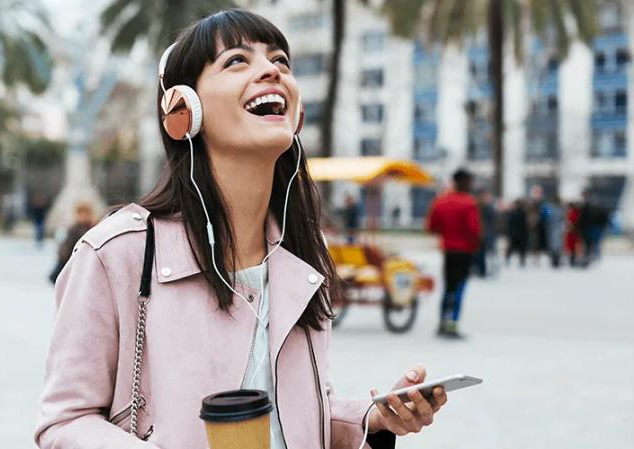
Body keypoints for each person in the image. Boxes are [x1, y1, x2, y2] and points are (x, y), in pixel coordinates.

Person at [34, 10, 448, 449]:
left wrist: (374, 420)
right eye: (237, 61)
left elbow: (300, 414)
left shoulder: (302, 261)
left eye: (281, 61)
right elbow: (65, 422)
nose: (272, 70)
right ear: (183, 110)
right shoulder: (118, 253)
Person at [426, 169, 481, 339]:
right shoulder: (469, 203)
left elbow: (431, 226)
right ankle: (453, 324)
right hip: (464, 251)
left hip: (448, 250)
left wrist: (446, 234)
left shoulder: (441, 201)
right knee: (459, 287)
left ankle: (442, 321)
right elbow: (474, 230)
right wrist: (476, 245)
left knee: (448, 286)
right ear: (464, 182)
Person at [49, 203, 96, 284]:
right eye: (80, 214)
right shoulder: (74, 228)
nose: (82, 217)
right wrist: (62, 254)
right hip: (71, 260)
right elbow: (67, 244)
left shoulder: (92, 228)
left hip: (84, 262)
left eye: (85, 214)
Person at [474, 190, 498, 277]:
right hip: (478, 234)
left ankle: (483, 270)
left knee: (485, 253)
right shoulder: (476, 207)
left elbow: (494, 221)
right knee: (478, 253)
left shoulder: (490, 208)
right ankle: (479, 269)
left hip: (487, 234)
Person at [505, 199, 529, 267]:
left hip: (518, 233)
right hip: (517, 233)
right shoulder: (515, 213)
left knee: (519, 248)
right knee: (514, 248)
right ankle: (510, 259)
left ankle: (520, 260)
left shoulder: (519, 212)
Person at [544, 195, 566, 268]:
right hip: (552, 228)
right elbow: (546, 217)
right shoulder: (549, 207)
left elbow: (564, 217)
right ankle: (554, 260)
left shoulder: (561, 208)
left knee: (558, 245)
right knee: (553, 244)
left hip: (558, 228)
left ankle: (557, 260)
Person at [564, 202, 581, 267]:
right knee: (570, 246)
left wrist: (572, 226)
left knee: (574, 246)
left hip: (574, 232)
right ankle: (571, 260)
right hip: (570, 233)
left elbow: (576, 221)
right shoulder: (568, 213)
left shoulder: (575, 213)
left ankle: (574, 260)